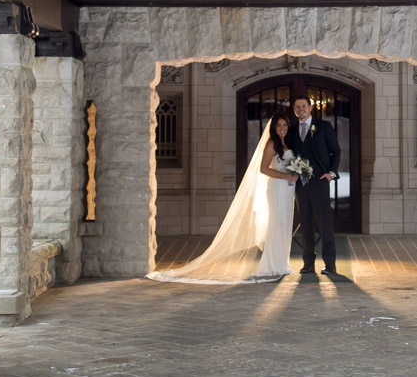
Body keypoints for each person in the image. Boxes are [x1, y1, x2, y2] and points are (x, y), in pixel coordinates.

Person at [146, 114, 298, 284]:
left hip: (288, 190)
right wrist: (285, 176)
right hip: (277, 188)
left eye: (285, 125)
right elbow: (263, 169)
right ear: (273, 128)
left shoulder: (290, 143)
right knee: (275, 224)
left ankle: (282, 263)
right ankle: (272, 264)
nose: (282, 128)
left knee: (284, 224)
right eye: (278, 125)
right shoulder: (272, 144)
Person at [288, 95, 341, 276]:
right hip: (301, 184)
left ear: (310, 108)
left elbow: (336, 150)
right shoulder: (292, 130)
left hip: (320, 182)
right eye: (297, 106)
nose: (300, 109)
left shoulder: (324, 127)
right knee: (306, 224)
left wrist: (331, 173)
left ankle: (330, 265)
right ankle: (308, 264)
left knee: (325, 224)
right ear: (294, 109)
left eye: (303, 106)